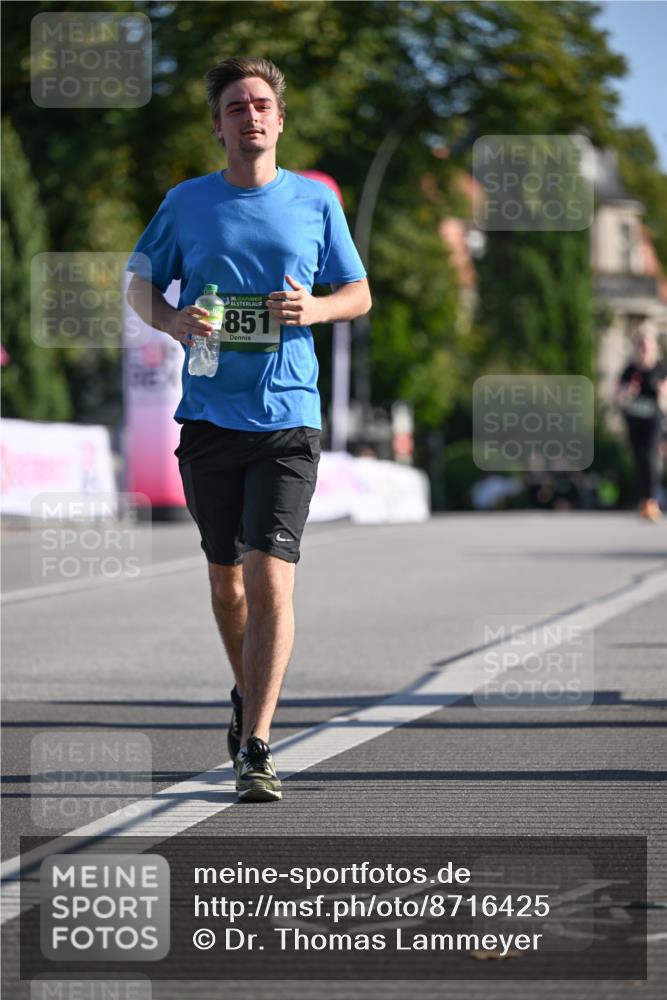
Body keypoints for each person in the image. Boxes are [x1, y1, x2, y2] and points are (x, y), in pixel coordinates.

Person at [126, 57, 371, 801]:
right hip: (206, 413)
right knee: (226, 582)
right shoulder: (186, 203)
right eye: (235, 106)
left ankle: (257, 744)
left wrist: (316, 310)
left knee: (270, 579)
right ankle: (247, 695)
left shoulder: (313, 203)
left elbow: (357, 293)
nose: (251, 116)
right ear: (219, 125)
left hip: (288, 415)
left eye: (262, 103)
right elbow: (139, 283)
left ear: (280, 119)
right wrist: (173, 320)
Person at [616, 322, 667, 522]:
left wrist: (663, 392)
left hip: (654, 420)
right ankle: (645, 501)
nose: (645, 349)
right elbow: (617, 395)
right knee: (639, 460)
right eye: (641, 345)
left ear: (654, 347)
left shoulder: (661, 369)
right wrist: (627, 392)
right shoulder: (630, 370)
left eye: (648, 345)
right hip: (634, 421)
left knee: (649, 457)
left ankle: (652, 501)